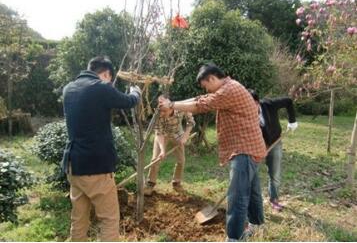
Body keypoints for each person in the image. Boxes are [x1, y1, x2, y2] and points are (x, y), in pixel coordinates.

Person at [159, 64, 267, 241]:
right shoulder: (229, 86)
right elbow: (200, 98)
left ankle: (234, 238)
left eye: (205, 85)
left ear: (212, 79)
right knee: (253, 190)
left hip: (244, 150)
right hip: (252, 147)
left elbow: (202, 105)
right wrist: (174, 106)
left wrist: (171, 105)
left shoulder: (229, 91)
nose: (206, 89)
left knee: (237, 197)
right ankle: (256, 225)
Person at [61, 56, 141, 241]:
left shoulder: (69, 89)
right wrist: (136, 92)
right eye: (110, 79)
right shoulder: (101, 87)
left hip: (74, 165)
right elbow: (128, 101)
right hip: (96, 167)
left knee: (79, 219)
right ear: (106, 74)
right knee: (109, 220)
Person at [249, 90, 298, 212]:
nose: (247, 107)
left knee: (274, 173)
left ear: (256, 102)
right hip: (255, 145)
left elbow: (288, 101)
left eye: (250, 104)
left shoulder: (269, 104)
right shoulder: (244, 113)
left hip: (274, 142)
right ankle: (250, 201)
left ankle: (274, 199)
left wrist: (292, 121)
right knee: (249, 172)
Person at [144, 95, 195, 195]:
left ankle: (176, 183)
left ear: (170, 106)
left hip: (177, 134)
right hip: (163, 135)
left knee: (181, 161)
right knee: (155, 159)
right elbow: (159, 133)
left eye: (164, 110)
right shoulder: (158, 114)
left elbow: (191, 122)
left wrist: (185, 136)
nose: (161, 113)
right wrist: (162, 150)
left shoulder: (181, 108)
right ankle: (150, 183)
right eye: (160, 110)